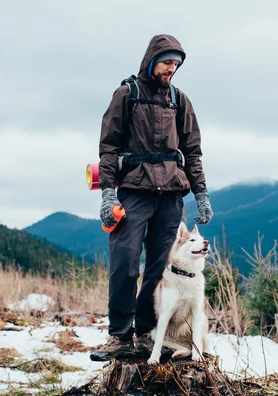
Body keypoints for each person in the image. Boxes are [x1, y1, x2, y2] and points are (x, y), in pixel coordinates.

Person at [90, 34, 213, 362]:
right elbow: (109, 147)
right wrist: (107, 194)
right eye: (167, 62)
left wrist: (201, 194)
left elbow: (192, 150)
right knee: (125, 264)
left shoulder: (179, 100)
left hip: (172, 196)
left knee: (159, 269)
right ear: (151, 60)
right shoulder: (126, 94)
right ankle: (119, 336)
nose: (172, 68)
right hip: (133, 193)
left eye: (176, 64)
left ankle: (145, 333)